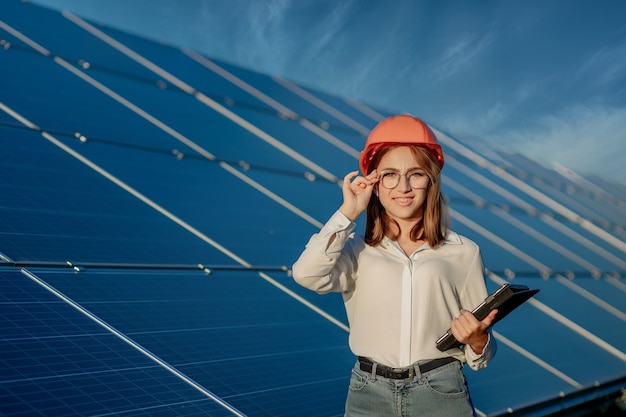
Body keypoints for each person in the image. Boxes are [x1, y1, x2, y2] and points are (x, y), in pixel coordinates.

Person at [292, 115, 497, 416]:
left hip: (440, 390)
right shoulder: (355, 251)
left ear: (431, 181)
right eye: (389, 174)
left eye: (416, 174)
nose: (403, 186)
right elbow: (305, 274)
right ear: (375, 184)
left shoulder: (463, 252)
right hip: (368, 393)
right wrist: (348, 213)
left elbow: (481, 353)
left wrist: (479, 340)